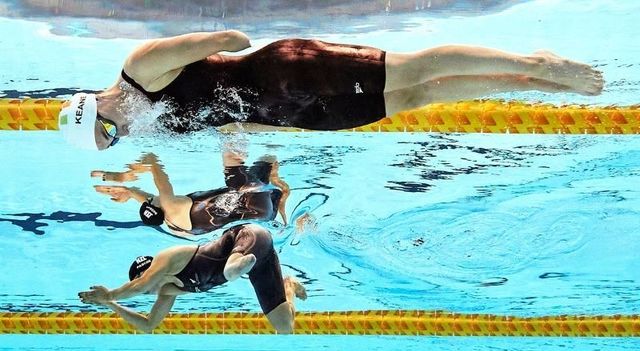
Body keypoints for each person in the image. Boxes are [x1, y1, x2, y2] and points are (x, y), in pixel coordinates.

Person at [58, 30, 604, 150]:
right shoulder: (150, 121)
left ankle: (535, 63)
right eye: (114, 140)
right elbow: (228, 121)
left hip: (290, 73)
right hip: (291, 112)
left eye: (108, 126)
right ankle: (522, 81)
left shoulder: (138, 70)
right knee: (412, 98)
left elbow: (229, 39)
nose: (122, 130)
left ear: (95, 104)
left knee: (411, 69)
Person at [78, 224, 307, 333]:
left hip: (248, 237)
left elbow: (141, 284)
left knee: (230, 272)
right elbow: (148, 325)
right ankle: (289, 285)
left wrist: (110, 293)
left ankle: (240, 265)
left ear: (148, 271)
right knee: (285, 327)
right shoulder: (168, 290)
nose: (148, 291)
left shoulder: (168, 259)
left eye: (145, 281)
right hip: (261, 261)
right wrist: (110, 303)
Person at [92, 151, 290, 235]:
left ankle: (278, 191)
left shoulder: (172, 222)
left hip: (264, 214)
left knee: (261, 174)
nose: (153, 198)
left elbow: (152, 202)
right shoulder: (169, 204)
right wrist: (124, 176)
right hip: (249, 196)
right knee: (233, 160)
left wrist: (131, 193)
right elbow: (152, 161)